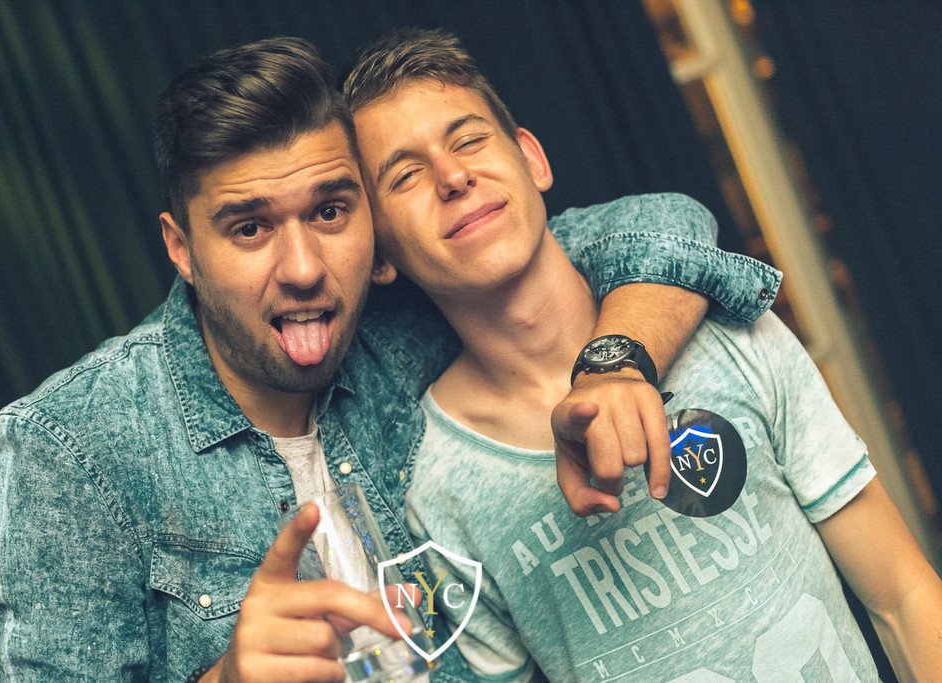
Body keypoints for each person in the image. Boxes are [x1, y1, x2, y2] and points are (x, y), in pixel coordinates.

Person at [0, 37, 777, 681]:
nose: (303, 268)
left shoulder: (396, 326)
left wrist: (613, 361)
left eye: (330, 211)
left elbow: (660, 229)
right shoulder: (70, 448)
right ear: (182, 247)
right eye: (249, 227)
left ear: (376, 228)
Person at [342, 28, 942, 682]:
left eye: (469, 141)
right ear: (379, 254)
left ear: (532, 161)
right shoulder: (438, 490)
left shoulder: (728, 333)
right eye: (406, 176)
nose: (453, 177)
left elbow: (903, 595)